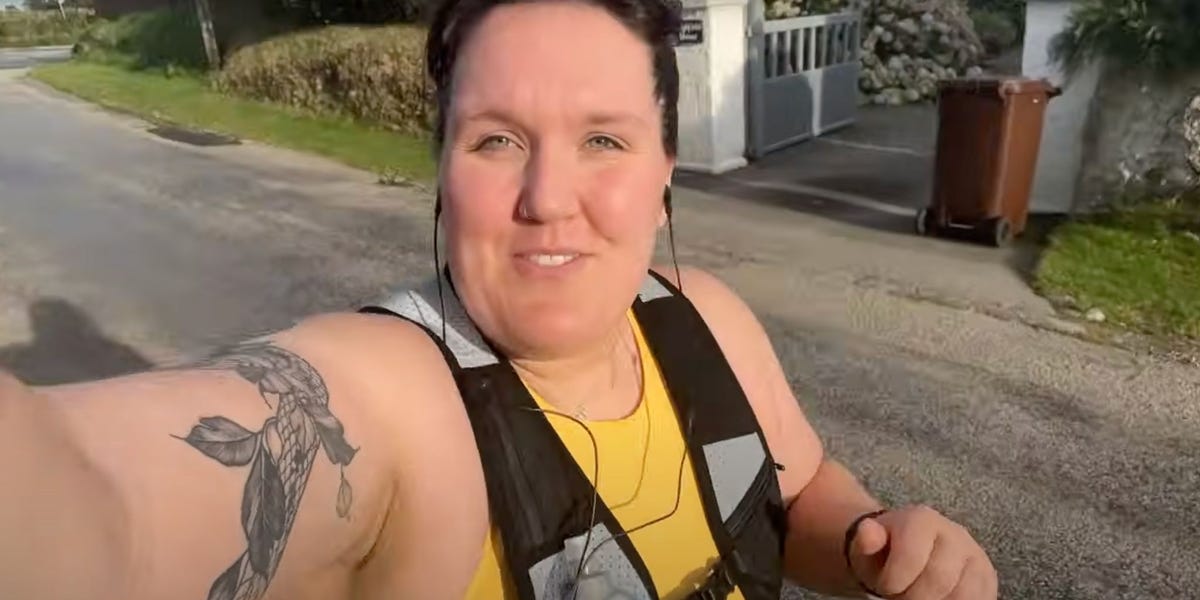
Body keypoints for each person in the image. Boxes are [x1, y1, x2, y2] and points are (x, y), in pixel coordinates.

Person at [0, 0, 999, 598]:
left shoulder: (707, 320)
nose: (547, 199)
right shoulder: (399, 402)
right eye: (495, 140)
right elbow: (97, 514)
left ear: (664, 168)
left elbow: (800, 490)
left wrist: (876, 544)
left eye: (602, 139)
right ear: (440, 166)